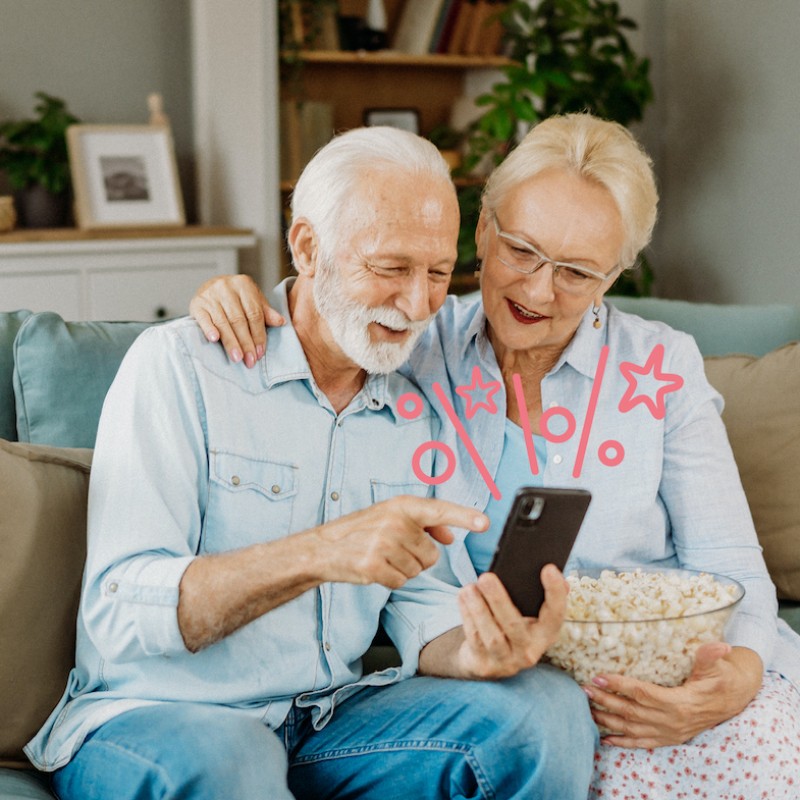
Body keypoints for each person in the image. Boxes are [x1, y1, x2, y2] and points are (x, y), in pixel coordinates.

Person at [191, 113, 800, 798]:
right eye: (522, 251)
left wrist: (736, 679)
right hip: (526, 691)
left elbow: (733, 569)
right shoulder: (410, 346)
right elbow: (326, 304)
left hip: (676, 672)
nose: (539, 291)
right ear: (480, 231)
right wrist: (237, 294)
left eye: (577, 272)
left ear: (614, 275)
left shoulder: (661, 366)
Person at [25, 127, 598, 800]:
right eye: (391, 269)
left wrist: (478, 650)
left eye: (438, 274)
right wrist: (320, 552)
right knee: (236, 760)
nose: (417, 305)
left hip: (325, 726)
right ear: (307, 246)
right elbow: (123, 612)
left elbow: (421, 606)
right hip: (158, 719)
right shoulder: (181, 366)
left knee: (547, 711)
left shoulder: (417, 413)